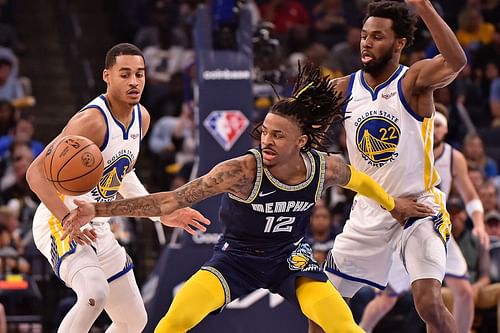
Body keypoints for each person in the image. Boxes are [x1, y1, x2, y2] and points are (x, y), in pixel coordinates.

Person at [63, 63, 433, 333]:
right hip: (236, 259)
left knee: (344, 327)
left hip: (291, 260)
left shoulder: (326, 167)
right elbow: (169, 200)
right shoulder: (241, 171)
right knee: (172, 323)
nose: (266, 141)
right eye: (265, 132)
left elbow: (362, 182)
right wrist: (97, 208)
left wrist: (393, 204)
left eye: (278, 136)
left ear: (301, 143)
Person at [25, 43, 209, 333]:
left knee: (134, 319)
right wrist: (65, 217)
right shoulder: (91, 121)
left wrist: (159, 213)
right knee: (93, 295)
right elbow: (35, 173)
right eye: (125, 74)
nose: (134, 81)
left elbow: (123, 176)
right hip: (59, 220)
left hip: (97, 224)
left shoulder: (142, 119)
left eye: (140, 74)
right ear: (107, 76)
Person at [312, 1, 468, 332]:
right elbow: (296, 119)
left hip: (418, 208)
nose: (366, 43)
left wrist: (423, 7)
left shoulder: (413, 82)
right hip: (369, 211)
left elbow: (456, 61)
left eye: (378, 37)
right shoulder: (343, 89)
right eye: (365, 35)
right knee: (322, 309)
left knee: (429, 304)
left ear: (399, 43)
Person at [358, 105, 489, 333]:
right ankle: (360, 330)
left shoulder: (453, 157)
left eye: (439, 125)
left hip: (436, 228)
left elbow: (470, 195)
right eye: (432, 124)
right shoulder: (404, 148)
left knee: (464, 292)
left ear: (446, 131)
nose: (435, 130)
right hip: (403, 228)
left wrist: (479, 223)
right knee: (388, 299)